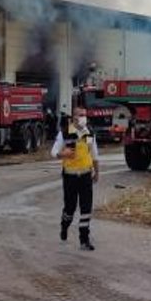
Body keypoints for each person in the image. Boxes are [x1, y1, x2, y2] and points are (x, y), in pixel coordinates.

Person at [51, 106, 100, 251]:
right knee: (70, 208)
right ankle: (64, 226)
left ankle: (84, 239)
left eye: (85, 114)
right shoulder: (65, 133)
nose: (84, 117)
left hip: (85, 176)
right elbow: (53, 152)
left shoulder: (88, 133)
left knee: (86, 208)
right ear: (74, 117)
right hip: (70, 177)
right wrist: (62, 154)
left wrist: (97, 172)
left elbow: (94, 154)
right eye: (80, 115)